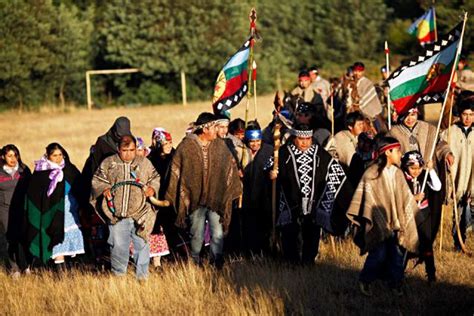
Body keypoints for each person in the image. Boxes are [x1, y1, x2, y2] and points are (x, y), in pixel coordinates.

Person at [166, 112, 242, 267]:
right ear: (205, 129)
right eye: (214, 127)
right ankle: (195, 262)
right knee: (197, 236)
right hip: (195, 200)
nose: (217, 130)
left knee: (218, 234)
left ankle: (216, 262)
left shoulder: (220, 145)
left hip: (216, 199)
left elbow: (229, 168)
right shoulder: (186, 147)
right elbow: (176, 170)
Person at [347, 137, 419, 297]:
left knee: (397, 255)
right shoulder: (370, 174)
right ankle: (365, 280)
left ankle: (396, 284)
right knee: (378, 255)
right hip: (378, 224)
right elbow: (367, 200)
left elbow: (404, 197)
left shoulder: (398, 173)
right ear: (388, 152)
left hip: (396, 223)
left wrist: (412, 207)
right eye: (398, 151)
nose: (401, 154)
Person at [269, 123, 351, 264]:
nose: (305, 142)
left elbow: (336, 172)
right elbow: (269, 167)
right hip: (289, 202)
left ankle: (308, 263)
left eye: (308, 139)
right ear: (294, 137)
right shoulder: (283, 153)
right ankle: (291, 264)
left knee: (312, 233)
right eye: (301, 139)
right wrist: (270, 173)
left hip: (314, 203)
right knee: (289, 233)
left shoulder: (320, 154)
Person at [91, 135, 160, 280]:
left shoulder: (144, 163)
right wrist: (104, 189)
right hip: (117, 216)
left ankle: (142, 278)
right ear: (118, 149)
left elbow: (155, 178)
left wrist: (152, 189)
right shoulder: (109, 163)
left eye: (132, 150)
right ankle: (118, 278)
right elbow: (97, 180)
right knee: (118, 248)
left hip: (141, 214)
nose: (128, 153)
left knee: (142, 245)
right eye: (125, 150)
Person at [80, 117, 132, 268]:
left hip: (124, 191)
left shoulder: (129, 140)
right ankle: (104, 261)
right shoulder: (102, 142)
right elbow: (97, 169)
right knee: (106, 228)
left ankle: (122, 260)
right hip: (106, 191)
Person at [25, 143, 85, 269]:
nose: (58, 158)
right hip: (51, 212)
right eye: (54, 155)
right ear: (48, 156)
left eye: (60, 155)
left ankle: (70, 270)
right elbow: (35, 195)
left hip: (70, 211)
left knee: (69, 241)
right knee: (56, 239)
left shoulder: (69, 168)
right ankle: (59, 273)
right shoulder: (41, 171)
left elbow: (80, 186)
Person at [401, 151, 441, 282]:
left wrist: (430, 170)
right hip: (409, 215)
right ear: (406, 166)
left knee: (427, 244)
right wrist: (414, 198)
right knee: (406, 244)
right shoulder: (401, 178)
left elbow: (437, 186)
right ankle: (399, 273)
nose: (416, 171)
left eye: (418, 168)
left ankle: (431, 274)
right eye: (412, 168)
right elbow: (399, 199)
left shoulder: (424, 175)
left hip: (423, 215)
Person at [440, 94, 473, 251]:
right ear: (460, 114)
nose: (468, 118)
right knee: (460, 212)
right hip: (458, 181)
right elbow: (440, 147)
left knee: (468, 213)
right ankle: (459, 242)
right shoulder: (451, 132)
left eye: (471, 115)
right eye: (465, 114)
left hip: (472, 180)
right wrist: (445, 154)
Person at [241, 125, 273, 255]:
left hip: (265, 195)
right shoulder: (242, 152)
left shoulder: (269, 151)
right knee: (250, 226)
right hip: (247, 196)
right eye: (252, 141)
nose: (255, 144)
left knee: (265, 226)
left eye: (257, 141)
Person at [0, 145, 31, 277]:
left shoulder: (24, 170)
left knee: (23, 237)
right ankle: (13, 267)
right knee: (9, 238)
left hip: (22, 209)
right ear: (3, 157)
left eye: (15, 155)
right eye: (9, 156)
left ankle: (26, 265)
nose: (13, 159)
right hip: (4, 210)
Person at [352, 62, 385, 132]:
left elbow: (369, 97)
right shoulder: (352, 82)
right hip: (356, 111)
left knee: (379, 129)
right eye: (356, 71)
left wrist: (359, 104)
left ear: (363, 71)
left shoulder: (367, 82)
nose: (357, 73)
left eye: (359, 71)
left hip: (372, 112)